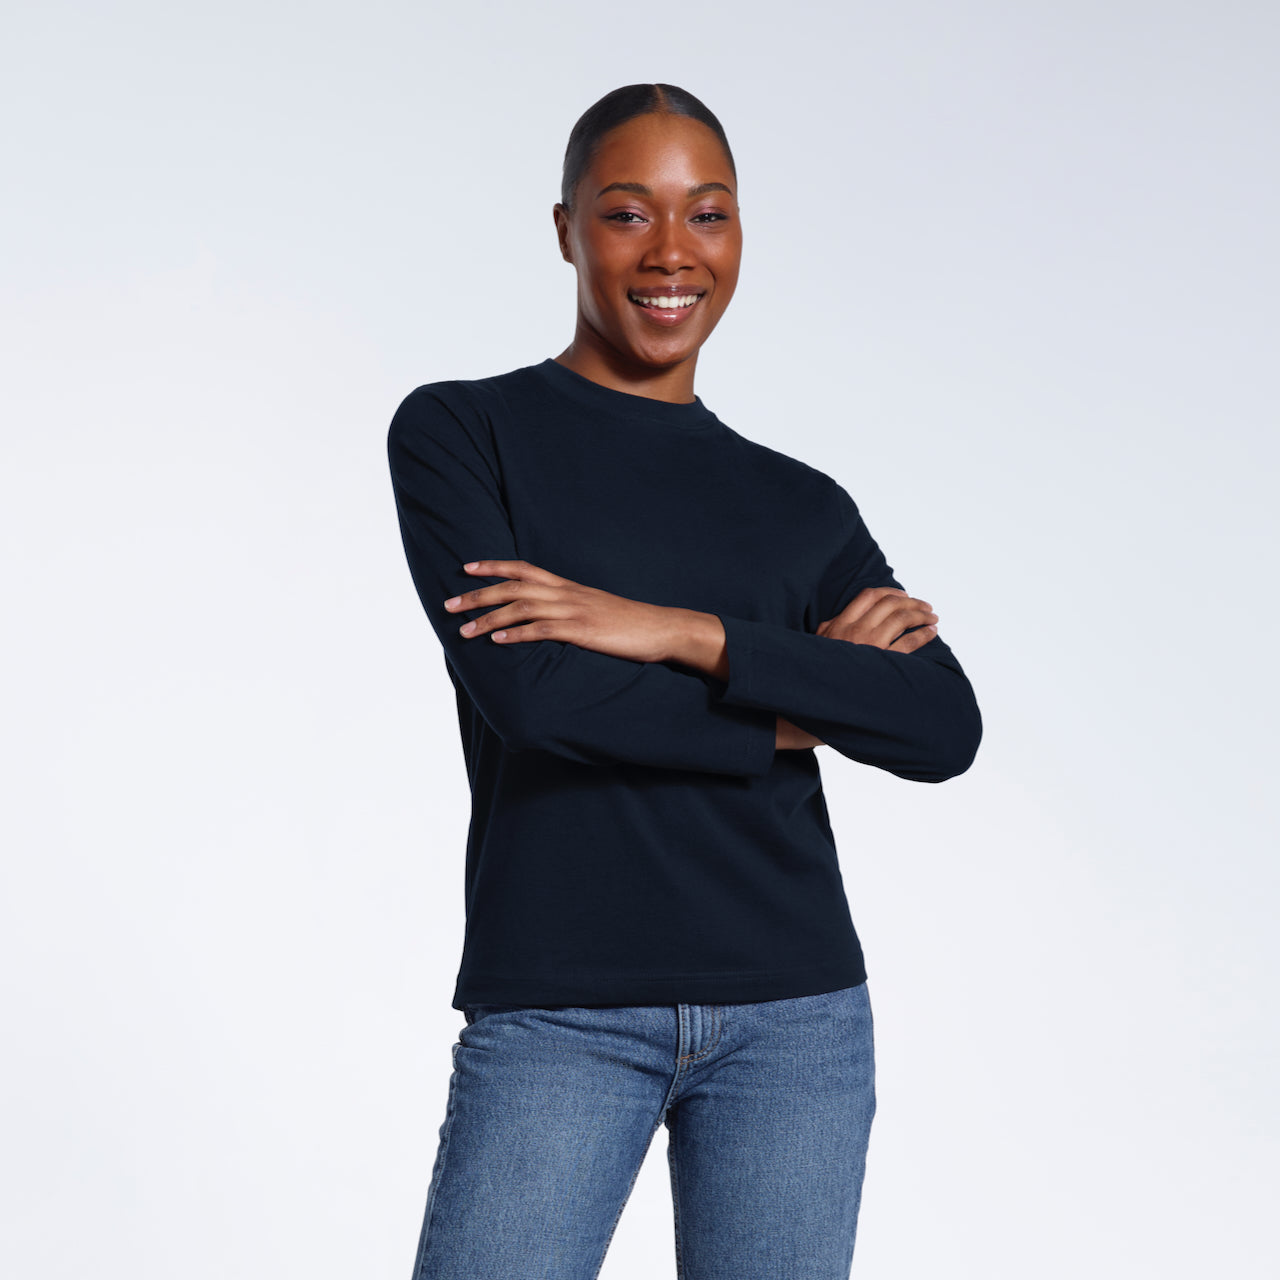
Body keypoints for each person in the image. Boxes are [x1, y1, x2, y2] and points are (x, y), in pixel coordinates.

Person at [386, 83, 982, 1280]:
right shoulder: (463, 433)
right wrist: (804, 709)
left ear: (738, 232)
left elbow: (936, 724)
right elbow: (537, 700)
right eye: (626, 213)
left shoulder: (798, 502)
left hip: (794, 1016)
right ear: (565, 229)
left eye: (706, 214)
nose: (671, 252)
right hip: (561, 1006)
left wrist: (679, 632)